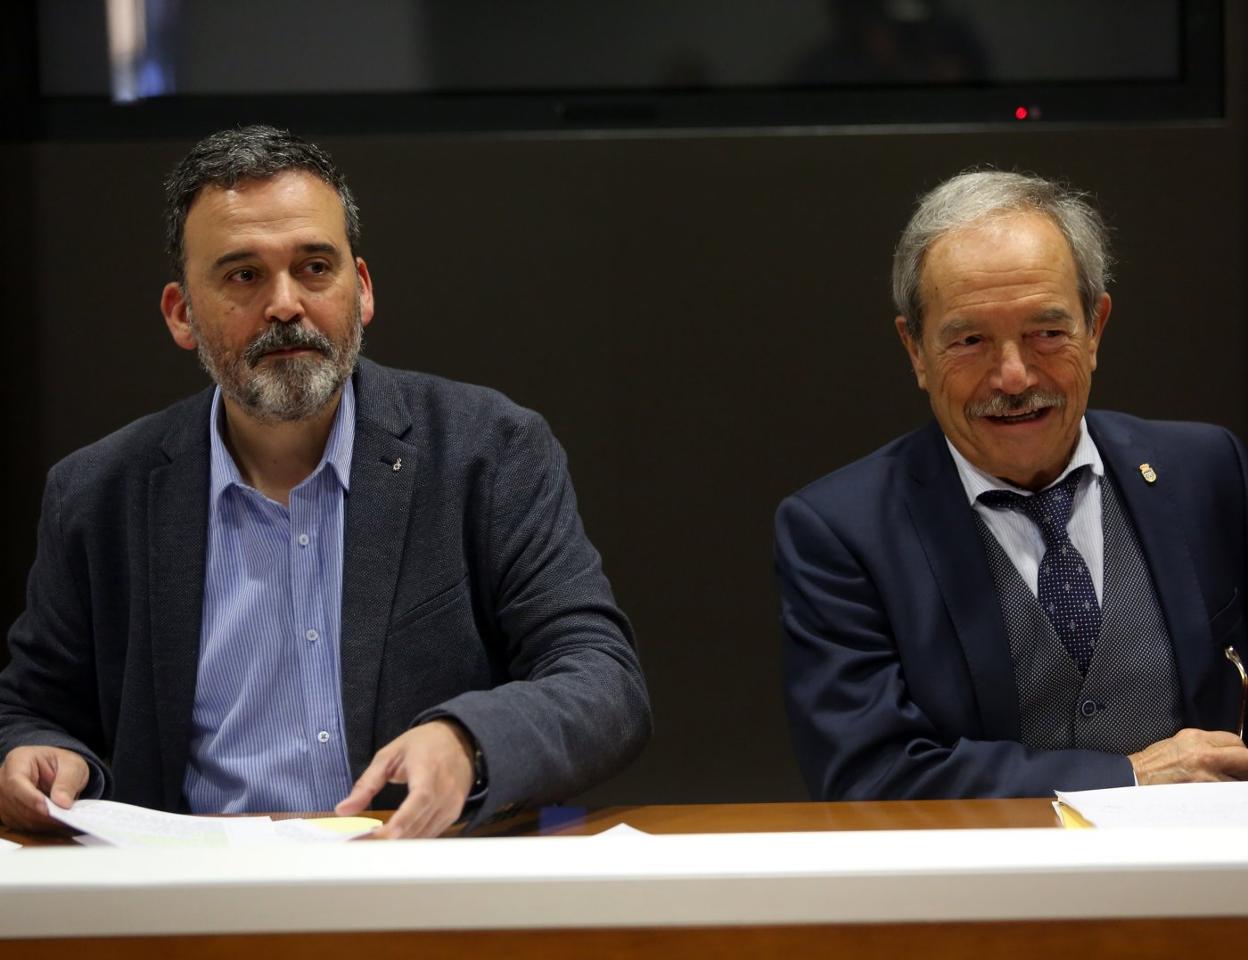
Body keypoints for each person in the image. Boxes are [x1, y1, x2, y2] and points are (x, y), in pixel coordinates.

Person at [0, 125, 650, 837]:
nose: (285, 304)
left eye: (314, 268)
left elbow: (603, 682)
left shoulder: (486, 451)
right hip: (191, 899)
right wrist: (39, 755)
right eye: (243, 275)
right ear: (182, 314)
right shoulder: (100, 493)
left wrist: (470, 740)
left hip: (417, 880)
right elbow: (32, 712)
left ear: (361, 290)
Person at [777, 170, 1248, 800]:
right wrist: (1128, 778)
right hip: (979, 891)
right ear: (915, 349)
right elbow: (872, 775)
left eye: (1047, 333)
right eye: (970, 340)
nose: (1014, 376)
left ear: (1096, 328)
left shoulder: (1206, 470)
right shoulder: (840, 531)